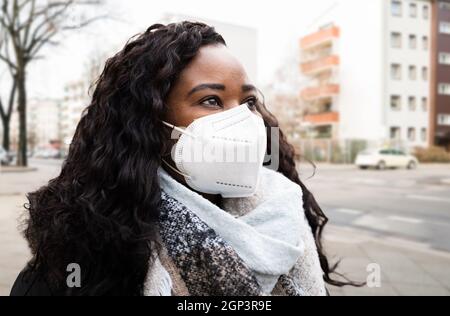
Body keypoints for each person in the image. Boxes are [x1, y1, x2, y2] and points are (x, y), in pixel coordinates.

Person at [10, 21, 354, 296]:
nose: (246, 120)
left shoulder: (285, 214)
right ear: (149, 121)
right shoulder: (84, 257)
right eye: (211, 101)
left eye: (248, 102)